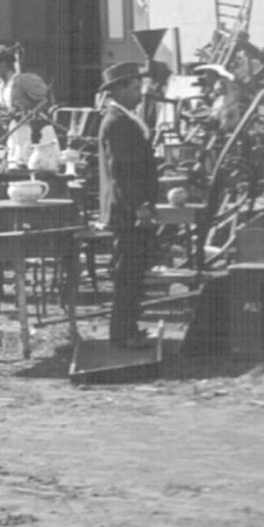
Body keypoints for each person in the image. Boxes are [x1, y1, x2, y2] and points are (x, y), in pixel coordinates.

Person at [97, 61, 159, 349]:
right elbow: (121, 172)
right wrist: (138, 206)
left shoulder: (124, 119)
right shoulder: (118, 123)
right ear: (119, 89)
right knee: (127, 273)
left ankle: (129, 327)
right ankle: (122, 334)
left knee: (134, 271)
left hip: (130, 207)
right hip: (127, 210)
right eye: (135, 88)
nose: (139, 94)